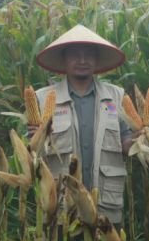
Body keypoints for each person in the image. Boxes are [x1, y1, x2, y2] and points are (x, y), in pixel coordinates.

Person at [32, 25, 132, 225]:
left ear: (97, 59)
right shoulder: (42, 99)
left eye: (89, 55)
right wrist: (35, 138)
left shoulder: (116, 97)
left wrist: (143, 140)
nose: (82, 60)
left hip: (105, 204)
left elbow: (126, 142)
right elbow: (30, 155)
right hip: (61, 203)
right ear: (64, 59)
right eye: (75, 55)